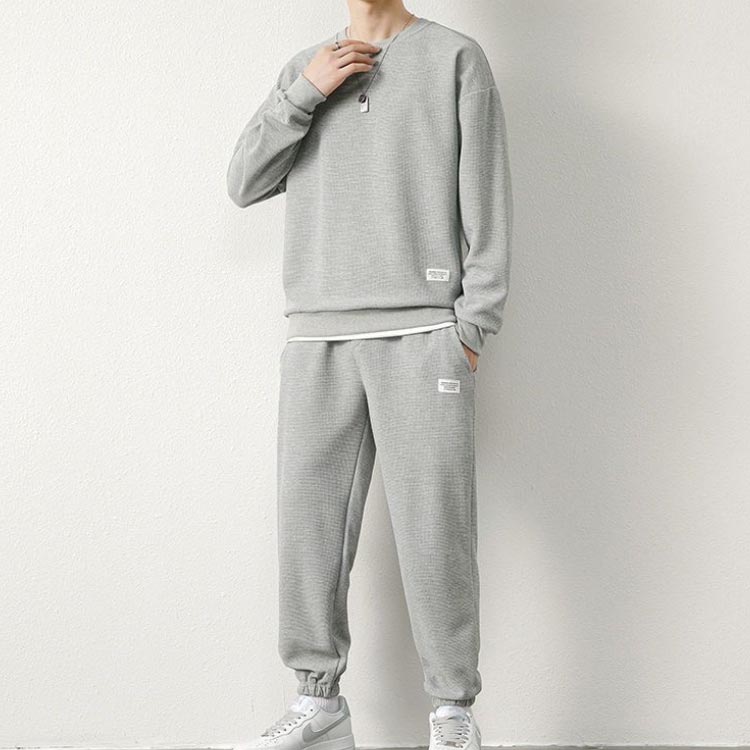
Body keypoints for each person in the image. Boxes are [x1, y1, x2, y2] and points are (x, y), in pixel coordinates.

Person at [227, 2, 512, 748]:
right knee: (308, 527)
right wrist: (305, 93)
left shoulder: (455, 59)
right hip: (318, 334)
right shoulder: (304, 68)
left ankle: (452, 711)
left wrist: (472, 326)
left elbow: (486, 193)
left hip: (424, 333)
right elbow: (244, 182)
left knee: (436, 528)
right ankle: (318, 701)